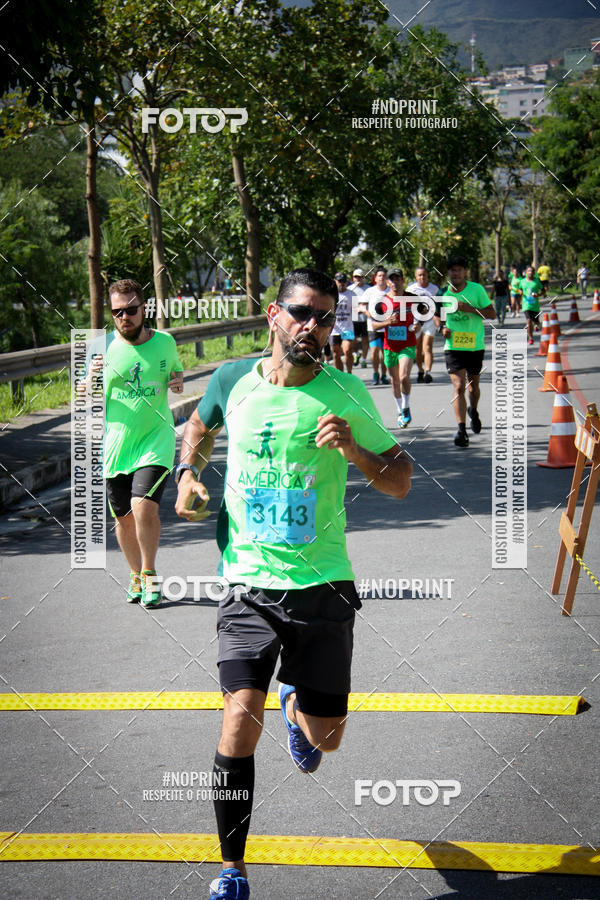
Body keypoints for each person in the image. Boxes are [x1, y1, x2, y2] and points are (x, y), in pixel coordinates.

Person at [175, 268, 412, 900]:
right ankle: (232, 868)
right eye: (303, 313)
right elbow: (197, 429)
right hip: (247, 585)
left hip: (323, 585)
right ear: (274, 317)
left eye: (326, 318)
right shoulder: (232, 381)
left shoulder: (345, 394)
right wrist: (188, 476)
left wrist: (356, 455)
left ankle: (297, 707)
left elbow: (400, 479)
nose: (315, 327)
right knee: (235, 721)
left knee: (325, 739)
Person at [82, 279, 184, 606]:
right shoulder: (100, 348)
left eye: (131, 310)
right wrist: (90, 380)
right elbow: (85, 394)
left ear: (144, 309)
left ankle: (151, 575)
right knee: (123, 518)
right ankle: (135, 573)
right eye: (117, 312)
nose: (124, 317)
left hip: (156, 440)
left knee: (143, 507)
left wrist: (178, 380)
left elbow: (175, 373)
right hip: (116, 447)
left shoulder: (165, 342)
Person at [435, 256, 496, 448]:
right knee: (459, 386)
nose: (456, 273)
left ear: (465, 272)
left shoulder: (476, 289)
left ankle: (474, 410)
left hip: (474, 345)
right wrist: (441, 328)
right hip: (453, 347)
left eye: (459, 270)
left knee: (473, 387)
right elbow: (437, 315)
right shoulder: (443, 293)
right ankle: (461, 430)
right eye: (453, 270)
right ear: (449, 273)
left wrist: (469, 308)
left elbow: (492, 313)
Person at [371, 269, 420, 427]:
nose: (395, 282)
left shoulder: (412, 298)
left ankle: (406, 406)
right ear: (387, 282)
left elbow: (425, 312)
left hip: (407, 343)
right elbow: (374, 325)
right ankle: (399, 410)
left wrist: (418, 325)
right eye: (392, 279)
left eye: (398, 279)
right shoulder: (382, 303)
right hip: (390, 346)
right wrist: (387, 323)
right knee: (394, 381)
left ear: (403, 281)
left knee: (404, 376)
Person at [406, 266, 439, 382]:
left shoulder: (434, 289)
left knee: (428, 347)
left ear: (428, 275)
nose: (422, 277)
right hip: (416, 322)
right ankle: (420, 370)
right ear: (415, 277)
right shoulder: (411, 289)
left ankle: (428, 372)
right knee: (418, 348)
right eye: (419, 275)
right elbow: (407, 306)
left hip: (429, 321)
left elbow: (438, 305)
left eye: (424, 274)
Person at [361, 266, 390, 385]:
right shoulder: (370, 291)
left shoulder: (390, 291)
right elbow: (362, 306)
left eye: (384, 276)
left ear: (387, 278)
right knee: (374, 351)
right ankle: (375, 373)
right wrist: (369, 314)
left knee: (384, 352)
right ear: (375, 278)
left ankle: (383, 375)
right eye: (379, 276)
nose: (381, 278)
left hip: (387, 326)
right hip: (373, 326)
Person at [330, 272, 354, 373]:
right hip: (334, 329)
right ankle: (340, 376)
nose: (342, 284)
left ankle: (349, 373)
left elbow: (356, 313)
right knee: (336, 354)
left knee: (347, 351)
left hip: (347, 328)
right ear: (335, 281)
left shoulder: (352, 294)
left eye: (344, 281)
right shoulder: (330, 295)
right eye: (339, 281)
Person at [349, 268, 369, 368]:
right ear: (353, 278)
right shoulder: (350, 289)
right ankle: (356, 354)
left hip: (366, 318)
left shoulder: (368, 289)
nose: (358, 279)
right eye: (356, 277)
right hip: (354, 318)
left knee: (365, 339)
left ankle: (364, 360)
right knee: (353, 340)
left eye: (360, 277)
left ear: (363, 277)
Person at [520, 265, 542, 345]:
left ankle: (537, 324)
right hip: (526, 305)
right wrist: (520, 292)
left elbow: (543, 290)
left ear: (534, 273)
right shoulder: (522, 281)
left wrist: (538, 295)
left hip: (535, 306)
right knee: (528, 321)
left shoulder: (537, 281)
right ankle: (530, 338)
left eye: (532, 271)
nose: (530, 272)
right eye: (529, 271)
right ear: (526, 272)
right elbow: (520, 289)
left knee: (536, 322)